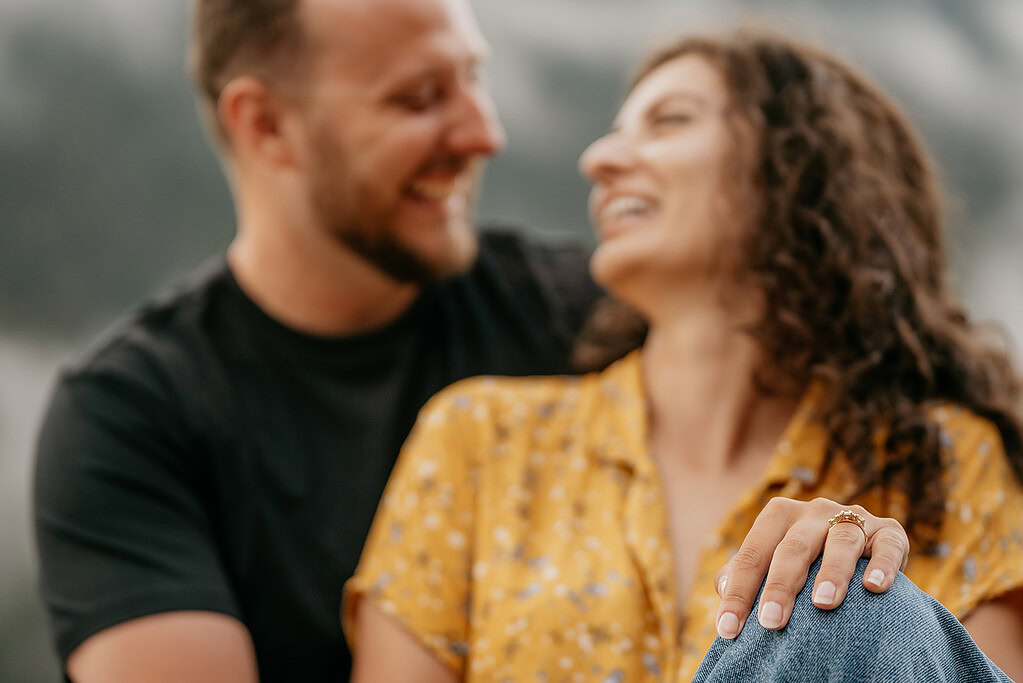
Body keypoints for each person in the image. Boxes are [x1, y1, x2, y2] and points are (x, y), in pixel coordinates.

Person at [32, 2, 901, 681]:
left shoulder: (589, 313)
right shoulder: (131, 418)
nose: (484, 133)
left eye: (474, 80)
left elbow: (866, 363)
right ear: (265, 125)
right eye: (419, 99)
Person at [345, 30, 1023, 681]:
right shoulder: (479, 438)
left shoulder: (945, 463)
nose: (600, 159)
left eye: (668, 121)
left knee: (847, 593)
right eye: (616, 130)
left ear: (794, 168)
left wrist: (869, 620)